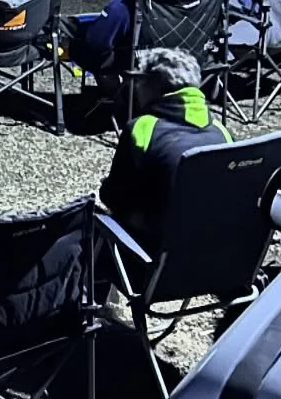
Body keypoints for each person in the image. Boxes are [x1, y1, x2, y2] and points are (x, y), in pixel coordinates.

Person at [99, 47, 231, 254]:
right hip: (216, 250)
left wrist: (105, 189)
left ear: (153, 85)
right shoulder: (221, 132)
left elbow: (116, 198)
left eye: (140, 81)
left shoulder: (142, 128)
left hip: (152, 252)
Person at [68, 0, 186, 78]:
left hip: (140, 68)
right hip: (181, 63)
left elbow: (97, 42)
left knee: (88, 50)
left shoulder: (126, 5)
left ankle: (112, 89)